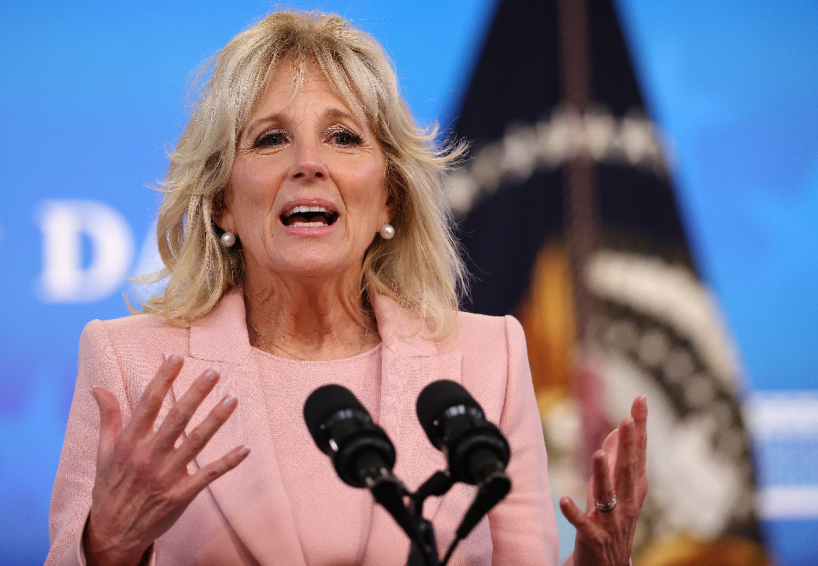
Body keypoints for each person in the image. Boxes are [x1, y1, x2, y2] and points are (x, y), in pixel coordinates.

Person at [46, 10, 647, 566]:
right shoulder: (133, 365)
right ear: (223, 202)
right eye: (270, 139)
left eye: (343, 137)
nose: (309, 163)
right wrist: (105, 547)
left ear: (390, 194)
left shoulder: (490, 359)